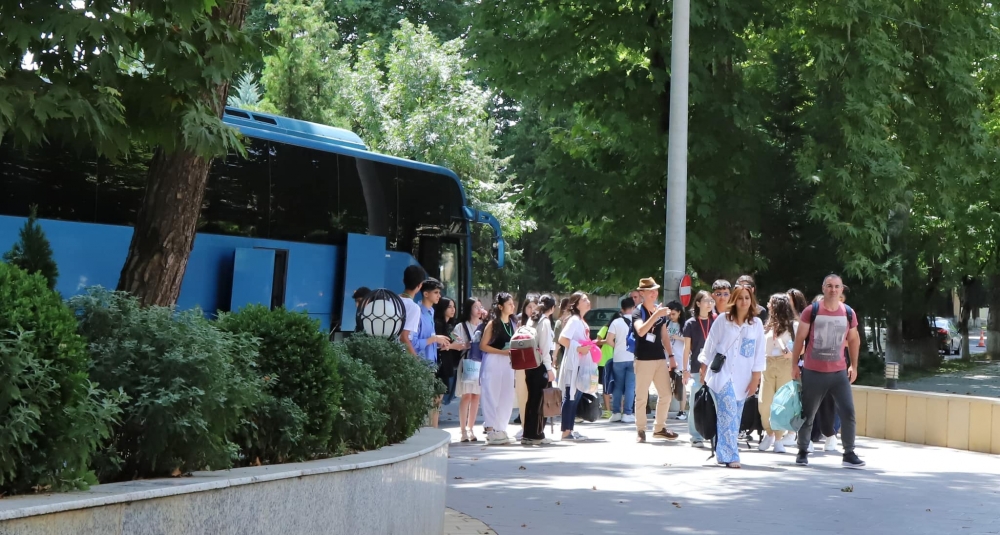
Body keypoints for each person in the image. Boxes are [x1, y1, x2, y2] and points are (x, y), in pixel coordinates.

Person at [790, 274, 865, 469]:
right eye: (829, 286)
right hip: (813, 371)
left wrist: (853, 366)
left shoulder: (848, 312)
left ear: (842, 290)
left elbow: (854, 340)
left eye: (837, 287)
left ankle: (849, 453)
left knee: (848, 411)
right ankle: (803, 451)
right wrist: (794, 365)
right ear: (823, 288)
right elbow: (799, 339)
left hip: (839, 373)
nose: (833, 290)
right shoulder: (811, 311)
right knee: (808, 413)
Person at [698, 283, 766, 468]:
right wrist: (703, 365)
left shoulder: (756, 324)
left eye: (747, 298)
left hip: (743, 377)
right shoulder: (723, 320)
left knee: (733, 416)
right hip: (723, 375)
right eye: (740, 297)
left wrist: (756, 378)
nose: (744, 301)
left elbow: (759, 353)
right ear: (734, 300)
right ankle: (731, 455)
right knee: (728, 412)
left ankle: (723, 453)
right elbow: (711, 343)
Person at [631, 278, 680, 443]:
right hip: (643, 359)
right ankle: (641, 430)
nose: (654, 293)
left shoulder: (660, 311)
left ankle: (659, 428)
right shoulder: (638, 312)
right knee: (641, 397)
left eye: (655, 290)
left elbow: (664, 336)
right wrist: (656, 315)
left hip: (660, 358)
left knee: (666, 394)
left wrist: (671, 357)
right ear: (642, 294)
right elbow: (641, 331)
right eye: (650, 291)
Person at [757, 293, 797, 453]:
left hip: (784, 363)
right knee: (764, 402)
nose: (767, 305)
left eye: (770, 303)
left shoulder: (792, 326)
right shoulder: (766, 325)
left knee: (782, 403)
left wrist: (791, 354)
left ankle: (779, 439)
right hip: (767, 363)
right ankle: (769, 432)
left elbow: (801, 349)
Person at [480, 292, 518, 445]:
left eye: (512, 303)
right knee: (491, 393)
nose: (512, 306)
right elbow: (483, 346)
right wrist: (502, 352)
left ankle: (501, 428)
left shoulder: (513, 323)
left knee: (507, 395)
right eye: (509, 304)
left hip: (508, 363)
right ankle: (490, 429)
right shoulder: (493, 323)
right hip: (494, 360)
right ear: (501, 306)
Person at [414, 278, 452, 427]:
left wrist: (439, 343)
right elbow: (413, 342)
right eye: (436, 292)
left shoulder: (430, 312)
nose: (439, 296)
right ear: (425, 293)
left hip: (431, 366)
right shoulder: (417, 313)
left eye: (439, 292)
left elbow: (429, 341)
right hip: (420, 365)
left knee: (432, 405)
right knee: (423, 406)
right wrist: (433, 339)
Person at [557, 291, 593, 441]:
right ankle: (566, 431)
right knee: (570, 395)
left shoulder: (581, 321)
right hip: (574, 363)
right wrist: (578, 348)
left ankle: (570, 429)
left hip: (581, 363)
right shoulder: (574, 320)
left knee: (575, 396)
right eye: (584, 299)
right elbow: (562, 339)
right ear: (577, 304)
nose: (588, 301)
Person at [523, 295, 558, 445]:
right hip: (540, 366)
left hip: (529, 364)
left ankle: (528, 434)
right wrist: (549, 369)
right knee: (540, 401)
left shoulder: (532, 319)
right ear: (552, 308)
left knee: (531, 400)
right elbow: (544, 348)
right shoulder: (545, 322)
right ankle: (537, 434)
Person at [682, 290, 715, 447]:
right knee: (696, 402)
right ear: (698, 303)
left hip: (714, 369)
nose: (710, 304)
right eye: (706, 301)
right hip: (696, 369)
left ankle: (714, 435)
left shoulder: (715, 321)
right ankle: (695, 436)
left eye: (711, 301)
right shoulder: (691, 323)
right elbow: (686, 348)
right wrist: (684, 370)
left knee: (715, 402)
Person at [453, 298, 484, 442]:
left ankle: (471, 428)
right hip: (466, 362)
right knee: (466, 395)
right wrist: (463, 344)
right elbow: (454, 339)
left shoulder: (484, 326)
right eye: (475, 307)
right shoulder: (461, 326)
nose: (479, 309)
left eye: (480, 307)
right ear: (469, 309)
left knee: (476, 396)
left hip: (481, 363)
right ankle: (462, 430)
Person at [603, 297, 636, 423]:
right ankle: (627, 413)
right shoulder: (638, 321)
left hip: (618, 358)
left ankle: (616, 412)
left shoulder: (616, 322)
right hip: (633, 358)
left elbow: (608, 340)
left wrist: (617, 347)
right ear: (633, 308)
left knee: (617, 385)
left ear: (622, 309)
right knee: (630, 386)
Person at [514, 296, 539, 434]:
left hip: (536, 364)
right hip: (522, 365)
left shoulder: (542, 322)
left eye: (535, 306)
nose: (532, 310)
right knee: (522, 396)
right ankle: (525, 426)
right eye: (529, 307)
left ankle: (534, 428)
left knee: (534, 397)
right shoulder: (519, 324)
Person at [434, 296, 461, 407]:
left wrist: (452, 345)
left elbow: (460, 344)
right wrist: (452, 345)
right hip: (439, 364)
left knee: (440, 397)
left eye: (454, 306)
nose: (453, 309)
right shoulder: (438, 324)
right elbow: (441, 345)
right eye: (449, 307)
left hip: (446, 363)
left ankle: (435, 422)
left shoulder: (450, 326)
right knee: (437, 397)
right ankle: (433, 423)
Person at [665, 301, 688, 420]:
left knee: (680, 385)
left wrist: (677, 337)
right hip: (667, 358)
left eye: (673, 314)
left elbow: (689, 341)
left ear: (679, 313)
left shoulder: (684, 325)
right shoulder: (667, 324)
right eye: (669, 314)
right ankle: (664, 410)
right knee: (665, 384)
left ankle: (682, 411)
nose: (671, 316)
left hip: (680, 357)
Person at [400, 265, 426, 356]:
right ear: (420, 285)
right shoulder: (414, 308)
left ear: (403, 281)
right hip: (401, 354)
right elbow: (404, 336)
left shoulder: (392, 299)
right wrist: (416, 361)